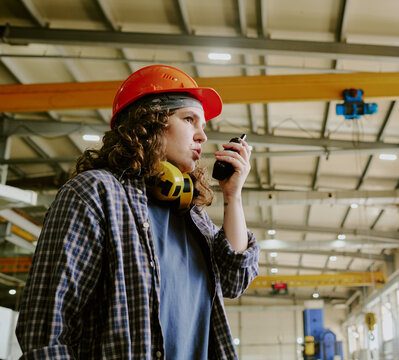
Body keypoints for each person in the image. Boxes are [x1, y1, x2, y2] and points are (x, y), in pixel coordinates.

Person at [15, 65, 259, 359]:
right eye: (189, 119)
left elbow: (235, 279)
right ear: (149, 123)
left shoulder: (192, 216)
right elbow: (45, 328)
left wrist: (233, 196)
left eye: (203, 125)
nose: (202, 136)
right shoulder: (95, 193)